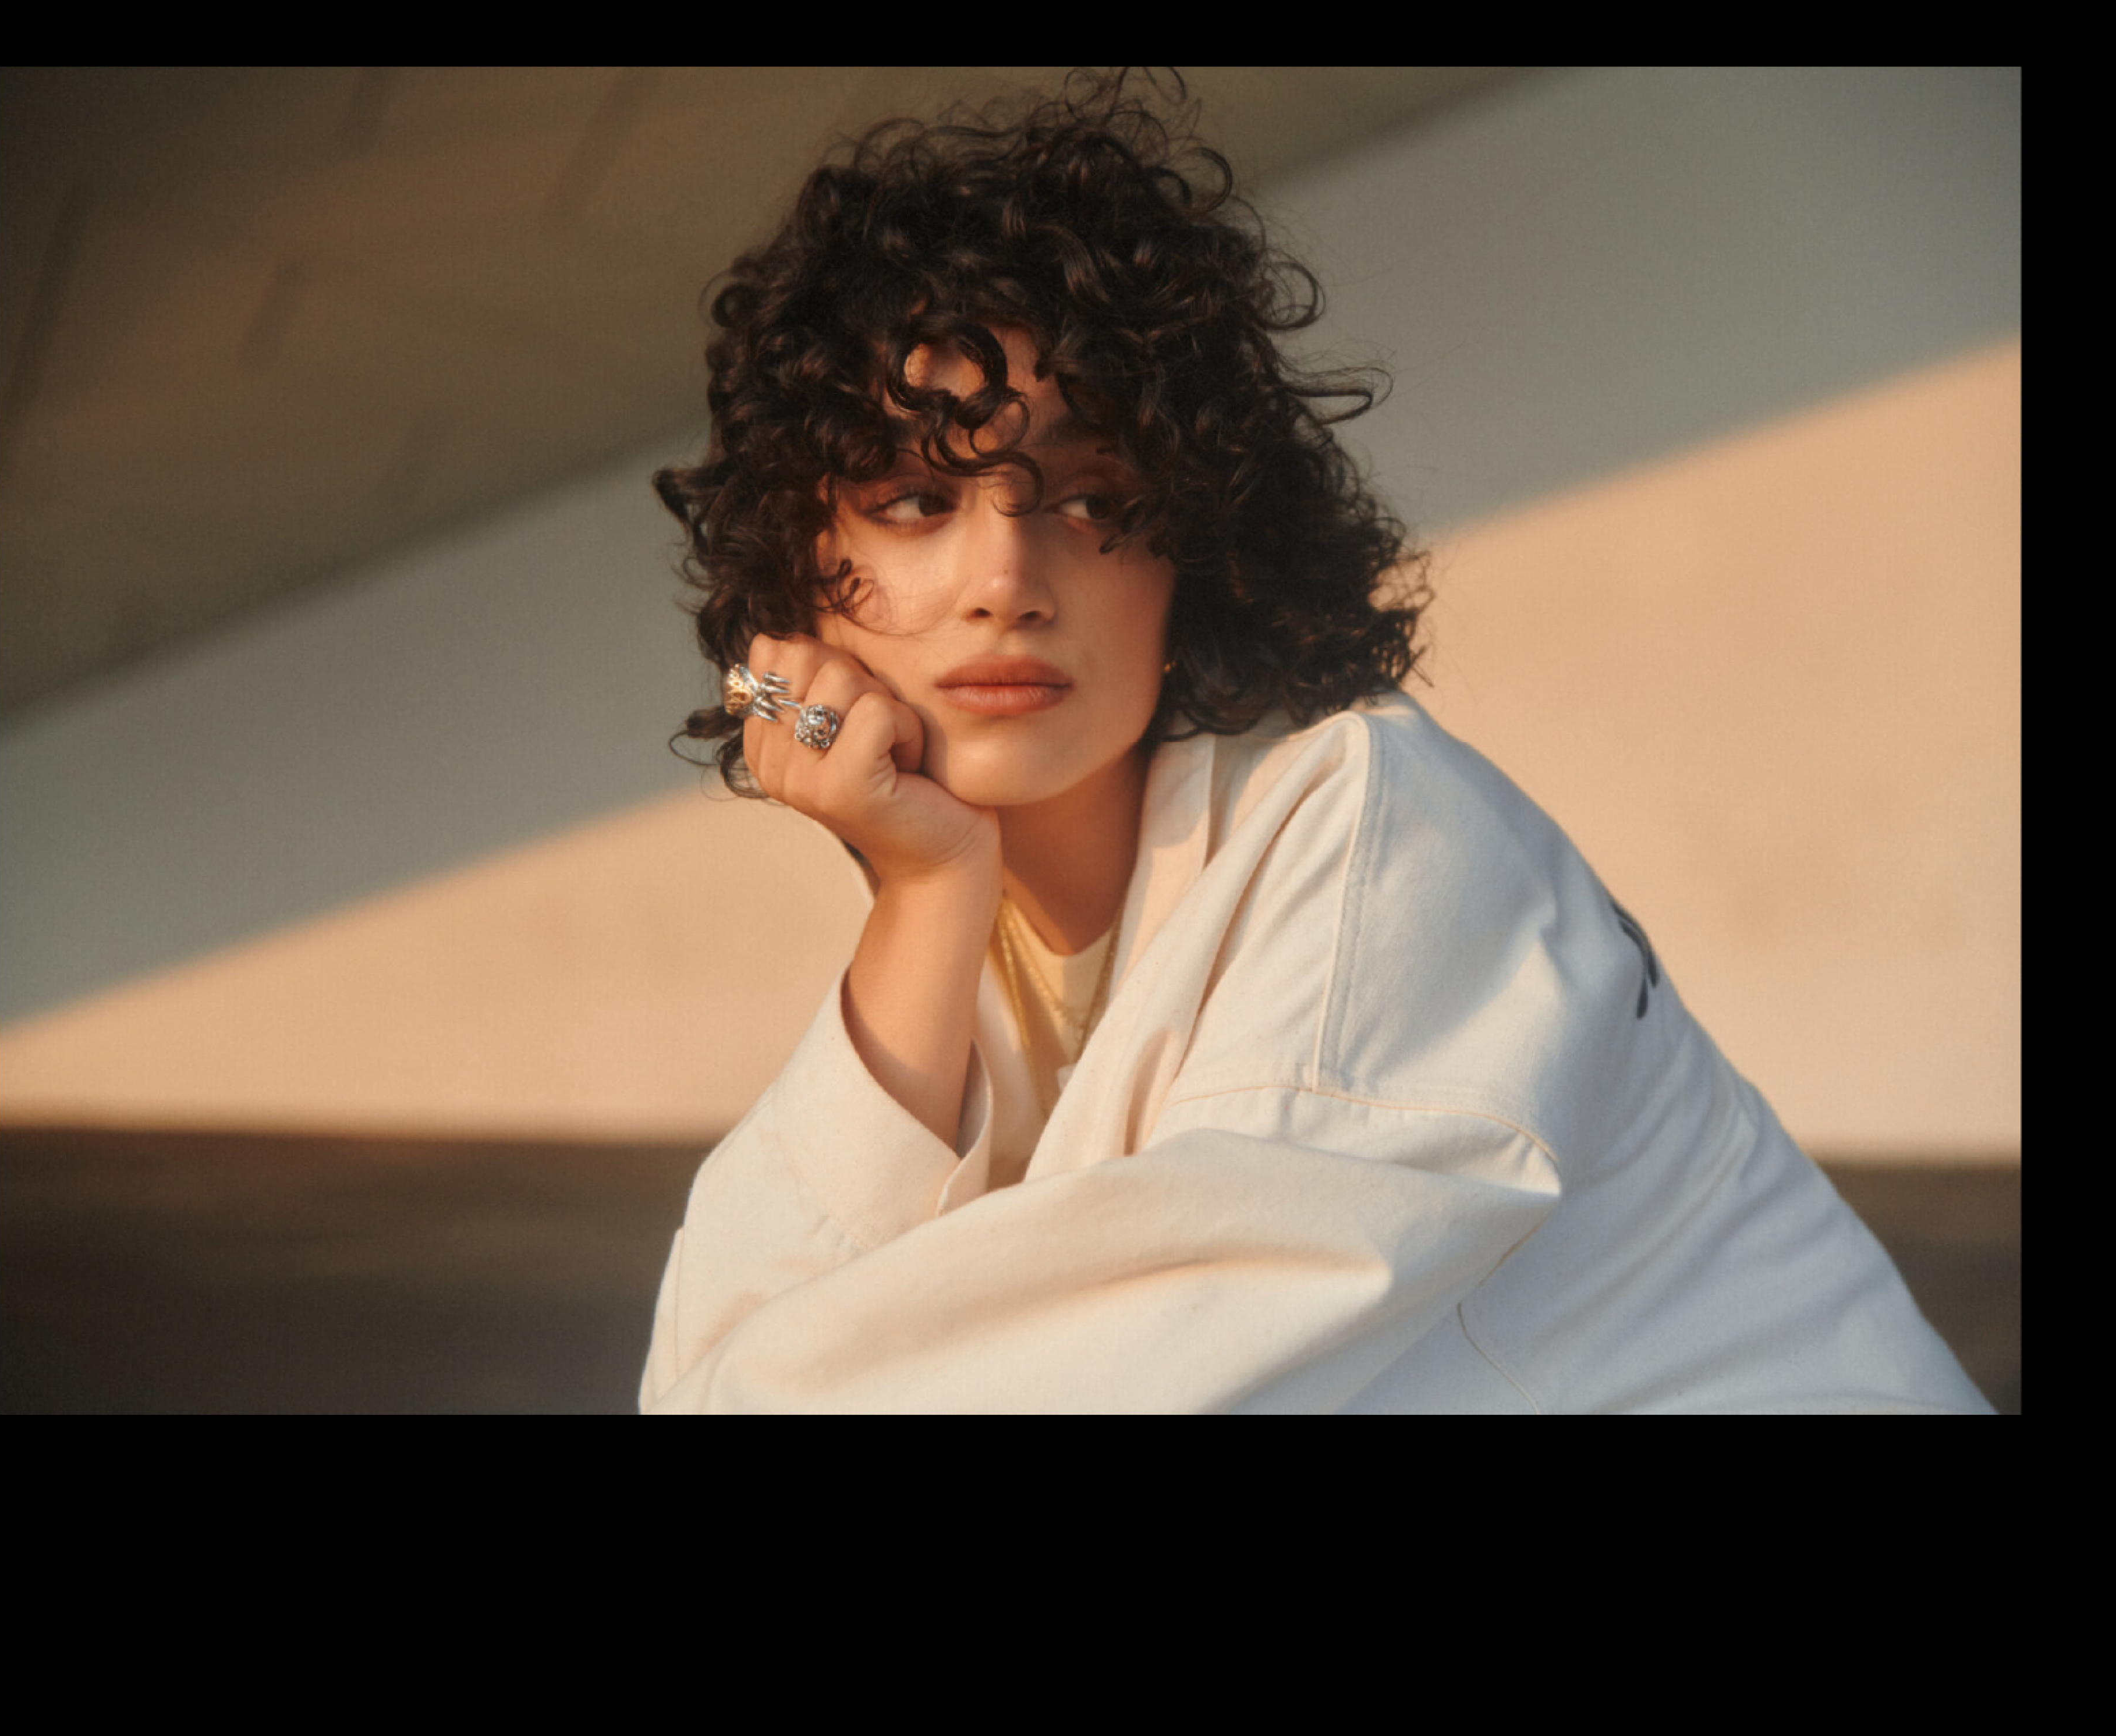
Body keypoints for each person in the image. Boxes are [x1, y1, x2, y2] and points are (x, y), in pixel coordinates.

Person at [639, 74, 1990, 1415]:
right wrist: (924, 894)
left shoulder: (1380, 838)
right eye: (916, 498)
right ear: (802, 570)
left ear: (1196, 540)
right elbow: (726, 1332)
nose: (1006, 575)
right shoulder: (983, 904)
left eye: (1094, 495)